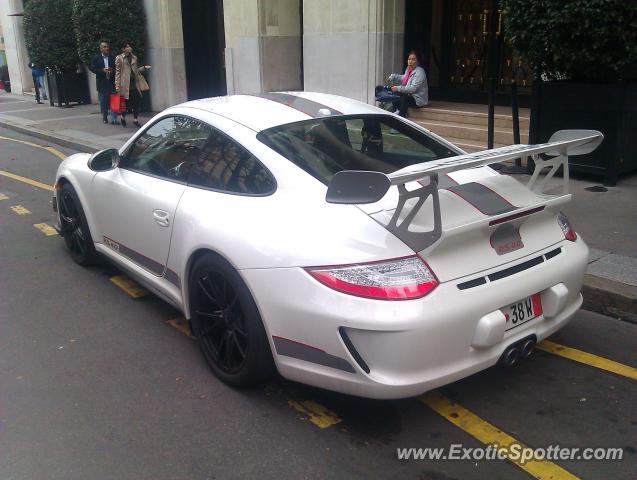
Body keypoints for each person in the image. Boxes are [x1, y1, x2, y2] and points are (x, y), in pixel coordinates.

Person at [375, 50, 428, 118]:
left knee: (403, 96)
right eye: (409, 59)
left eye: (413, 59)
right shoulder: (409, 69)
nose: (410, 61)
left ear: (418, 61)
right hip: (410, 95)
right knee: (394, 94)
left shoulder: (420, 72)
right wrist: (394, 76)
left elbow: (412, 89)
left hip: (418, 99)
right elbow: (404, 78)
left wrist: (398, 88)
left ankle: (401, 116)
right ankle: (397, 110)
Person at [114, 41, 151, 128]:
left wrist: (144, 68)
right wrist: (117, 84)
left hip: (134, 83)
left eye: (129, 46)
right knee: (124, 103)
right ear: (123, 49)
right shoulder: (119, 58)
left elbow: (136, 71)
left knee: (136, 102)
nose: (129, 48)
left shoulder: (134, 57)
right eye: (127, 46)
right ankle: (123, 117)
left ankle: (135, 119)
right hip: (125, 84)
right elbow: (118, 73)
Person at [89, 41, 117, 124]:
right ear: (101, 49)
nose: (106, 48)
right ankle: (105, 117)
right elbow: (93, 68)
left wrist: (112, 70)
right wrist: (102, 70)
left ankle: (114, 119)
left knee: (114, 100)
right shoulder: (96, 58)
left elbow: (117, 68)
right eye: (104, 47)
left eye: (107, 46)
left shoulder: (113, 57)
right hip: (102, 82)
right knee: (104, 101)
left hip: (112, 82)